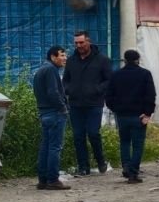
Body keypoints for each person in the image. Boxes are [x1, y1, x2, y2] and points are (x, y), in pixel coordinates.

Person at [63, 30, 112, 176]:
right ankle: (83, 166)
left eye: (81, 42)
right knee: (78, 136)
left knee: (93, 133)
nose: (79, 45)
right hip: (76, 103)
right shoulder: (71, 61)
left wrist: (97, 89)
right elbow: (66, 80)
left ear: (88, 41)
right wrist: (69, 90)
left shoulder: (102, 60)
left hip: (94, 103)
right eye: (76, 43)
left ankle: (100, 160)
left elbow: (109, 80)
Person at [105, 50, 156, 184]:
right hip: (139, 115)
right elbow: (150, 95)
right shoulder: (145, 74)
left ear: (125, 60)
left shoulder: (116, 75)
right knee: (138, 144)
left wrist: (116, 109)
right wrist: (148, 113)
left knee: (125, 142)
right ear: (138, 59)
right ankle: (133, 172)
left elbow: (108, 96)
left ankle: (126, 166)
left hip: (122, 115)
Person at [33, 46, 72, 190]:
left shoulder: (41, 70)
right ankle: (53, 179)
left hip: (44, 113)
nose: (65, 58)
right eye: (62, 55)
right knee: (55, 147)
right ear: (53, 57)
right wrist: (62, 108)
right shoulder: (51, 70)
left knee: (46, 147)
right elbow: (53, 92)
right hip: (55, 113)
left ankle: (43, 179)